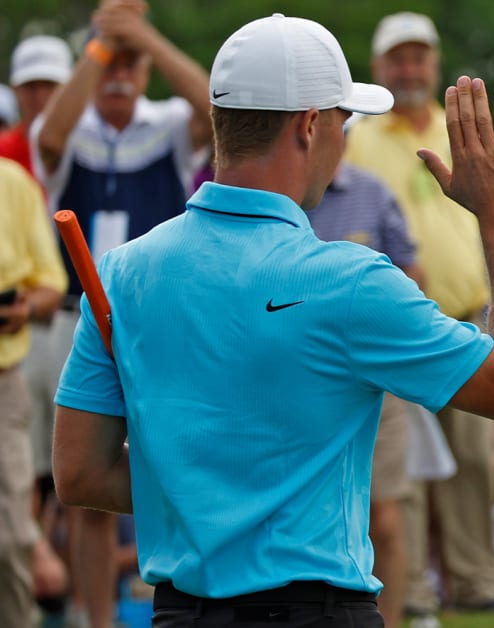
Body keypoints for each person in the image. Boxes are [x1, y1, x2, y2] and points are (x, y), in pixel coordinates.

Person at [51, 10, 494, 627]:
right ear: (311, 125)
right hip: (315, 611)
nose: (345, 140)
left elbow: (78, 474)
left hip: (179, 615)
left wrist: (206, 491)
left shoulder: (123, 272)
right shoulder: (350, 281)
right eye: (344, 120)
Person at [28, 3, 212, 625]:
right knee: (83, 479)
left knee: (172, 462)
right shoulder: (70, 126)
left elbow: (215, 111)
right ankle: (96, 619)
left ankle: (182, 600)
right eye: (111, 62)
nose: (118, 74)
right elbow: (49, 140)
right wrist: (104, 44)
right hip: (77, 323)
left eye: (132, 66)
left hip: (155, 319)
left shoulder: (165, 123)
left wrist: (142, 38)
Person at [344, 13, 494, 617]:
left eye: (418, 58)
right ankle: (409, 589)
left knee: (474, 461)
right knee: (400, 468)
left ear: (433, 63)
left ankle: (476, 583)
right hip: (391, 325)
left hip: (467, 315)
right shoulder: (356, 135)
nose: (409, 70)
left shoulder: (455, 126)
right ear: (379, 67)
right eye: (397, 59)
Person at [305, 155, 424, 627]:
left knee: (385, 518)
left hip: (373, 377)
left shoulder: (372, 192)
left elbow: (414, 277)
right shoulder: (276, 194)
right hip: (301, 376)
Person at [0, 157, 67, 628]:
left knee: (8, 539)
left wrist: (22, 309)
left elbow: (51, 284)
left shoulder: (14, 183)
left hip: (4, 382)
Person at [0, 35, 72, 176]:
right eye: (30, 86)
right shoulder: (2, 152)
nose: (40, 96)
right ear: (16, 89)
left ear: (68, 88)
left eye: (49, 85)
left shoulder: (87, 151)